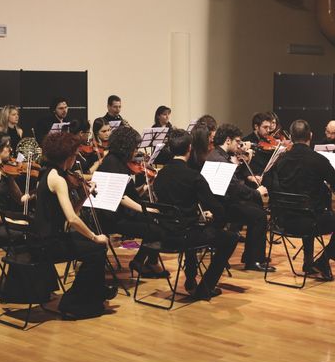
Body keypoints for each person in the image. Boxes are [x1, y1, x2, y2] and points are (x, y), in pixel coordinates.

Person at [33, 132, 116, 318]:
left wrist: (85, 196)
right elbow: (71, 219)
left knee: (96, 248)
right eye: (75, 154)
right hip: (47, 243)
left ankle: (94, 293)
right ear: (68, 157)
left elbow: (69, 212)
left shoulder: (49, 172)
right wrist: (95, 236)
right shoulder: (58, 179)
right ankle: (74, 302)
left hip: (48, 237)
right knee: (97, 248)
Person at [154, 129, 238, 300]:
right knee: (230, 238)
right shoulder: (193, 176)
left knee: (192, 226)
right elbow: (217, 210)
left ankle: (191, 279)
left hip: (163, 234)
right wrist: (213, 218)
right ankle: (205, 288)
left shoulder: (159, 176)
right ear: (189, 148)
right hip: (184, 235)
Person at [263, 120, 335, 280]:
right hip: (309, 222)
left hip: (283, 222)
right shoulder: (318, 160)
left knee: (306, 208)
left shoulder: (280, 159)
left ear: (291, 137)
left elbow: (267, 182)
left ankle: (308, 262)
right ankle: (323, 261)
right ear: (310, 136)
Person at [95, 126, 168, 278]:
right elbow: (120, 198)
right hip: (112, 218)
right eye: (134, 148)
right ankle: (142, 261)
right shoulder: (111, 164)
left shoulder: (120, 162)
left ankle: (147, 262)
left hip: (123, 213)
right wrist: (144, 210)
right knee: (156, 228)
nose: (136, 152)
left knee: (161, 220)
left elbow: (131, 193)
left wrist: (147, 187)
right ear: (126, 146)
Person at [207, 124, 274, 272]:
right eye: (237, 141)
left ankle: (251, 255)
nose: (239, 144)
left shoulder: (216, 155)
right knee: (259, 215)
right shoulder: (220, 160)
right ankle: (254, 259)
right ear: (228, 140)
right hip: (221, 207)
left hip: (220, 202)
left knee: (255, 209)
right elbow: (235, 187)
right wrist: (257, 192)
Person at [242, 112, 274, 178]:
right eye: (265, 127)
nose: (268, 130)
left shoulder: (268, 141)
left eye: (269, 127)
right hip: (253, 181)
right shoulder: (246, 141)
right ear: (256, 127)